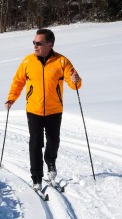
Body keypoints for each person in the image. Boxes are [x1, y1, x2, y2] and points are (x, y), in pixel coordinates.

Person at [4, 29, 82, 191]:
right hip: (34, 110)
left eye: (39, 43)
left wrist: (76, 79)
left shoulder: (61, 61)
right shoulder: (27, 62)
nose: (35, 46)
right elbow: (18, 82)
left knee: (53, 141)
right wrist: (12, 98)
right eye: (34, 43)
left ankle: (51, 162)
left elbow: (73, 82)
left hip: (54, 110)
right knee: (35, 143)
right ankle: (37, 177)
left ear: (49, 44)